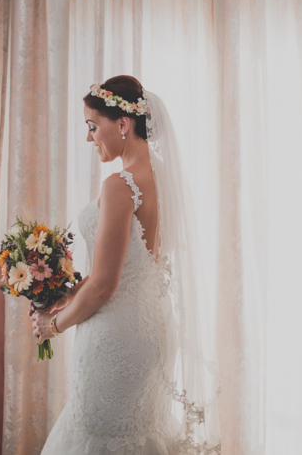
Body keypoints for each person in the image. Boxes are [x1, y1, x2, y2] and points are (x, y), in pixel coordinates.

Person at [31, 75, 221, 454]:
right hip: (152, 332)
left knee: (99, 436)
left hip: (114, 339)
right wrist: (67, 294)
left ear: (123, 123)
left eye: (92, 125)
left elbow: (105, 284)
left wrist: (53, 325)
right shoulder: (164, 176)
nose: (89, 137)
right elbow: (130, 266)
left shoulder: (119, 184)